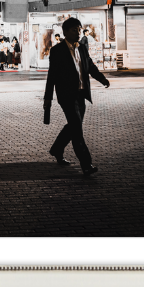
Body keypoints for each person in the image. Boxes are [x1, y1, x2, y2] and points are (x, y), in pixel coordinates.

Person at [43, 17, 110, 177]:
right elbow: (51, 75)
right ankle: (86, 164)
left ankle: (57, 149)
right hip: (66, 95)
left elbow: (90, 66)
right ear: (65, 32)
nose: (78, 33)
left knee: (73, 126)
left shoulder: (82, 48)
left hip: (81, 94)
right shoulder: (57, 51)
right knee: (77, 129)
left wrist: (102, 79)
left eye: (79, 30)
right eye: (74, 30)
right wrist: (48, 98)